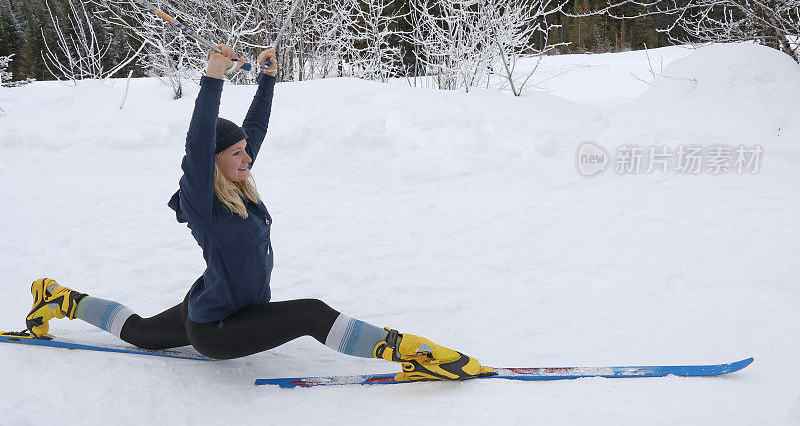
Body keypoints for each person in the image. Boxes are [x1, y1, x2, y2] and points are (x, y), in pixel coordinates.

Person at [24, 45, 489, 381]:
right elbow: (198, 141)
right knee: (311, 313)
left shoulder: (238, 184)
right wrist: (212, 79)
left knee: (140, 332)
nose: (248, 158)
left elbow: (253, 129)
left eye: (247, 152)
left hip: (214, 300)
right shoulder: (202, 202)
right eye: (237, 153)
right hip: (217, 328)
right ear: (213, 161)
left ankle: (58, 297)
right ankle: (414, 352)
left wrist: (266, 78)